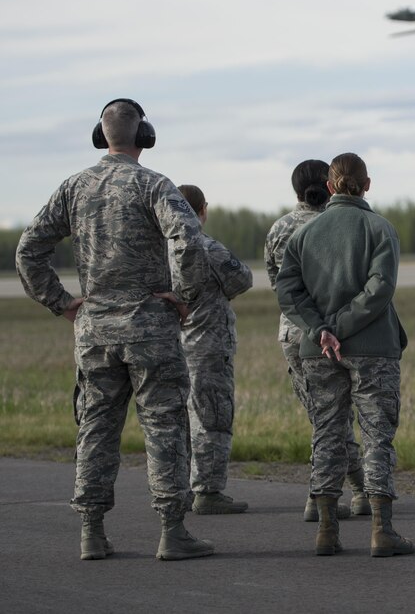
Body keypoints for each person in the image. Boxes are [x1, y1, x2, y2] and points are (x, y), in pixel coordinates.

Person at [15, 99, 214, 562]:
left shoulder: (74, 188)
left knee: (96, 427)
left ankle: (92, 532)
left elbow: (29, 250)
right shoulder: (153, 184)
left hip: (95, 332)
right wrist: (185, 295)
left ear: (100, 135)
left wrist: (61, 302)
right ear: (144, 135)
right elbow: (188, 239)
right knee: (164, 425)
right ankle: (171, 531)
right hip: (150, 328)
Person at [276, 153, 414, 557]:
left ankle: (326, 531)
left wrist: (322, 330)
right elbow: (381, 287)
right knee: (377, 436)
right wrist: (341, 327)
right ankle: (381, 530)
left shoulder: (303, 235)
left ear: (331, 186)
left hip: (318, 351)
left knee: (328, 435)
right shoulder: (380, 229)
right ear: (366, 185)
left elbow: (288, 291)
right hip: (373, 348)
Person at [264, 159, 369, 522]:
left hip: (294, 333)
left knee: (323, 416)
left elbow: (278, 283)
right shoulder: (339, 224)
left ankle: (354, 489)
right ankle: (331, 493)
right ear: (331, 186)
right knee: (335, 418)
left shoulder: (279, 229)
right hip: (339, 330)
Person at [170, 184, 253, 515]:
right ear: (201, 210)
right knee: (212, 417)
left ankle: (179, 489)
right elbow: (243, 279)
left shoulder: (158, 251)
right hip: (208, 345)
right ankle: (208, 490)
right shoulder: (207, 248)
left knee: (176, 421)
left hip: (171, 347)